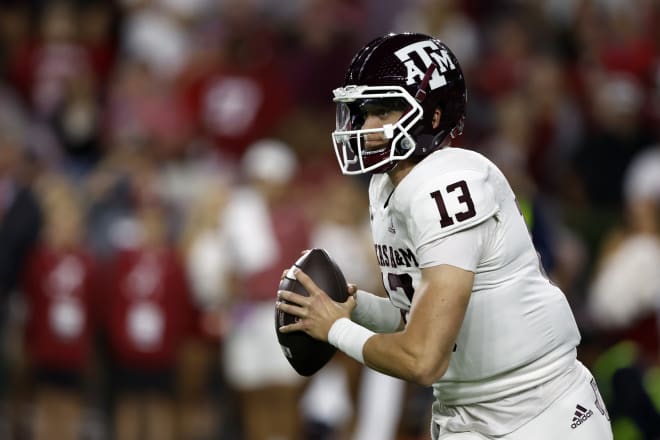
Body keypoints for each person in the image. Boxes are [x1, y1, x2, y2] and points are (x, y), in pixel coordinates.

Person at [276, 32, 614, 440]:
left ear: (433, 117)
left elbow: (423, 358)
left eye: (384, 111)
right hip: (468, 411)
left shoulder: (449, 182)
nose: (367, 127)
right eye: (364, 112)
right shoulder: (385, 187)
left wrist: (335, 329)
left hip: (539, 411)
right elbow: (414, 317)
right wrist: (353, 305)